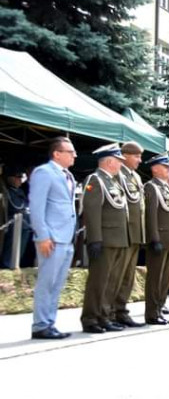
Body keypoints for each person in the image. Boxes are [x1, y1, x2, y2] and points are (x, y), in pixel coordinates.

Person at [27, 137, 78, 339]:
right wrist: (42, 236)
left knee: (56, 284)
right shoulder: (44, 173)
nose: (74, 155)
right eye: (70, 151)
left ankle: (49, 323)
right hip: (52, 238)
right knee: (46, 283)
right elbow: (37, 207)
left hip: (66, 238)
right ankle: (40, 324)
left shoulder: (68, 175)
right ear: (57, 154)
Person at [80, 143, 131, 334]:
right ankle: (90, 318)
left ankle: (104, 315)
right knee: (98, 281)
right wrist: (94, 239)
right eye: (119, 161)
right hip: (105, 239)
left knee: (111, 281)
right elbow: (92, 211)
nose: (120, 165)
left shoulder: (113, 182)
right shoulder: (96, 179)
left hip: (117, 239)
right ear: (110, 161)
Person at [110, 141, 146, 328]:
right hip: (123, 233)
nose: (140, 160)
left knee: (128, 276)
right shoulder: (117, 175)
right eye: (136, 156)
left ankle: (121, 311)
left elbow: (140, 207)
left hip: (135, 233)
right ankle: (108, 312)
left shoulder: (136, 178)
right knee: (116, 274)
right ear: (125, 156)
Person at [143, 153, 169, 324]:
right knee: (155, 278)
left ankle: (159, 309)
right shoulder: (151, 187)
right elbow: (151, 215)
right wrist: (154, 238)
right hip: (160, 238)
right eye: (166, 167)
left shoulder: (166, 188)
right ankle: (152, 313)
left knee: (164, 278)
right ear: (155, 168)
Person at [2, 165, 32, 269]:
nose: (20, 180)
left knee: (21, 250)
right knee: (10, 251)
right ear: (10, 178)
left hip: (25, 224)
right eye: (18, 177)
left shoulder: (19, 191)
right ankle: (7, 265)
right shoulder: (7, 191)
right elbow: (15, 206)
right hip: (14, 224)